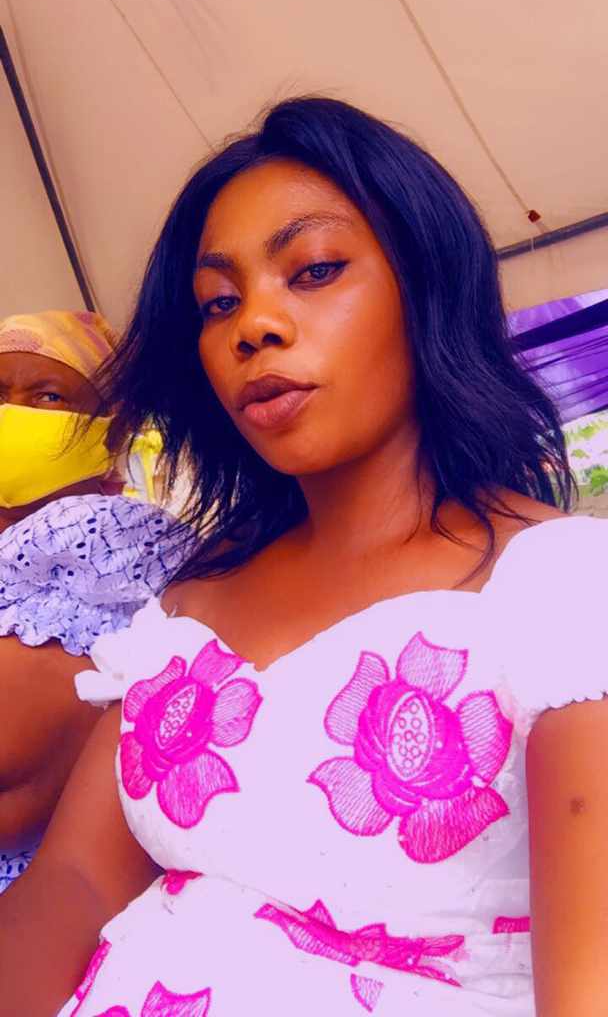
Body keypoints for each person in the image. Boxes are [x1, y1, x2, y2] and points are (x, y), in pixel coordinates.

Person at [1, 97, 606, 1017]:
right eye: (219, 302)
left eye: (314, 270)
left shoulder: (562, 590)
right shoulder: (184, 607)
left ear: (427, 284)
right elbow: (75, 883)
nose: (255, 325)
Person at [0, 311, 186, 893]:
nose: (13, 414)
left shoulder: (108, 544)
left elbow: (20, 766)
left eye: (48, 396)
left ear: (110, 429)